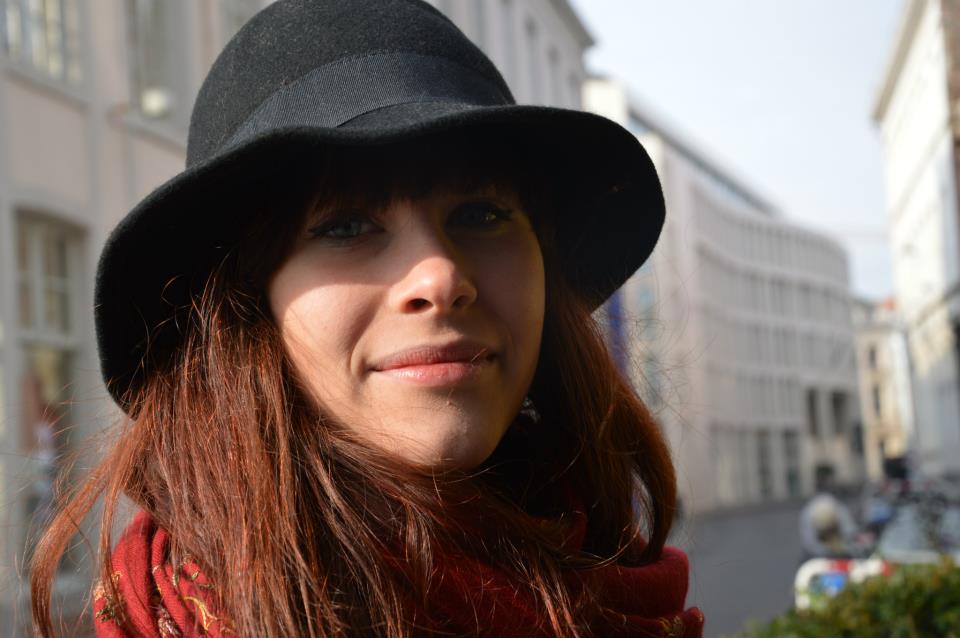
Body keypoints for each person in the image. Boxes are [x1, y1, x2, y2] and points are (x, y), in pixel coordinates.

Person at [31, 1, 704, 636]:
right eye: (346, 226)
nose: (439, 278)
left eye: (481, 214)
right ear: (244, 310)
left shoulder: (620, 579)